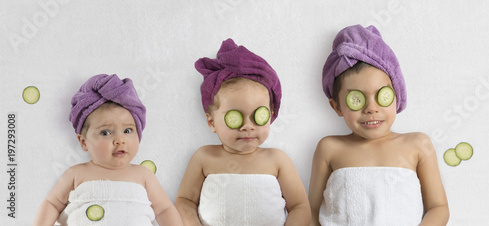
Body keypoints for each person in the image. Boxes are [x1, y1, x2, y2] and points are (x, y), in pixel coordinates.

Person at [309, 25, 449, 226]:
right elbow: (311, 210)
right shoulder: (329, 148)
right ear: (336, 106)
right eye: (356, 99)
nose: (371, 108)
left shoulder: (418, 144)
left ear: (397, 95)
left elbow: (438, 207)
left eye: (382, 96)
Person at [175, 39, 311, 226]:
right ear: (211, 121)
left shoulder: (278, 160)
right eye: (235, 117)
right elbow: (184, 201)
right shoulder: (203, 158)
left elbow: (300, 206)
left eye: (258, 116)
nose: (248, 126)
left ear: (270, 116)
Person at [33, 74, 183, 226]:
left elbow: (164, 209)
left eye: (128, 131)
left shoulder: (143, 176)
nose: (120, 140)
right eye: (106, 133)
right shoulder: (76, 174)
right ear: (83, 142)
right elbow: (51, 204)